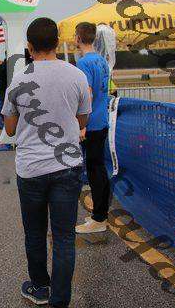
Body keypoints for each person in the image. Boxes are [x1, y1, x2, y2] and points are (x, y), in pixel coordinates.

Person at [2, 17, 90, 308]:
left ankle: (40, 288)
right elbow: (82, 120)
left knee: (36, 234)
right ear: (57, 42)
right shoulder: (77, 75)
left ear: (29, 47)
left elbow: (10, 129)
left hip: (31, 169)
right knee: (64, 238)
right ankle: (60, 300)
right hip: (67, 166)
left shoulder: (19, 79)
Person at [74, 22, 111, 234]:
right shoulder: (101, 60)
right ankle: (101, 214)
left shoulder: (83, 63)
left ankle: (99, 219)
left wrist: (82, 125)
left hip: (92, 124)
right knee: (99, 169)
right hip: (101, 119)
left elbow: (86, 95)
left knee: (95, 170)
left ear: (78, 38)